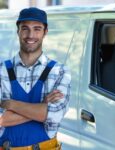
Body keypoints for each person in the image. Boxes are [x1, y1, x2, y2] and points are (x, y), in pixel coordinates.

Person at [0, 7, 71, 150]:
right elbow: (1, 119)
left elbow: (55, 115)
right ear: (18, 31)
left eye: (37, 29)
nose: (30, 35)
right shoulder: (2, 71)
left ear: (45, 32)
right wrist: (42, 107)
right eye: (25, 28)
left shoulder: (60, 72)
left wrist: (11, 104)